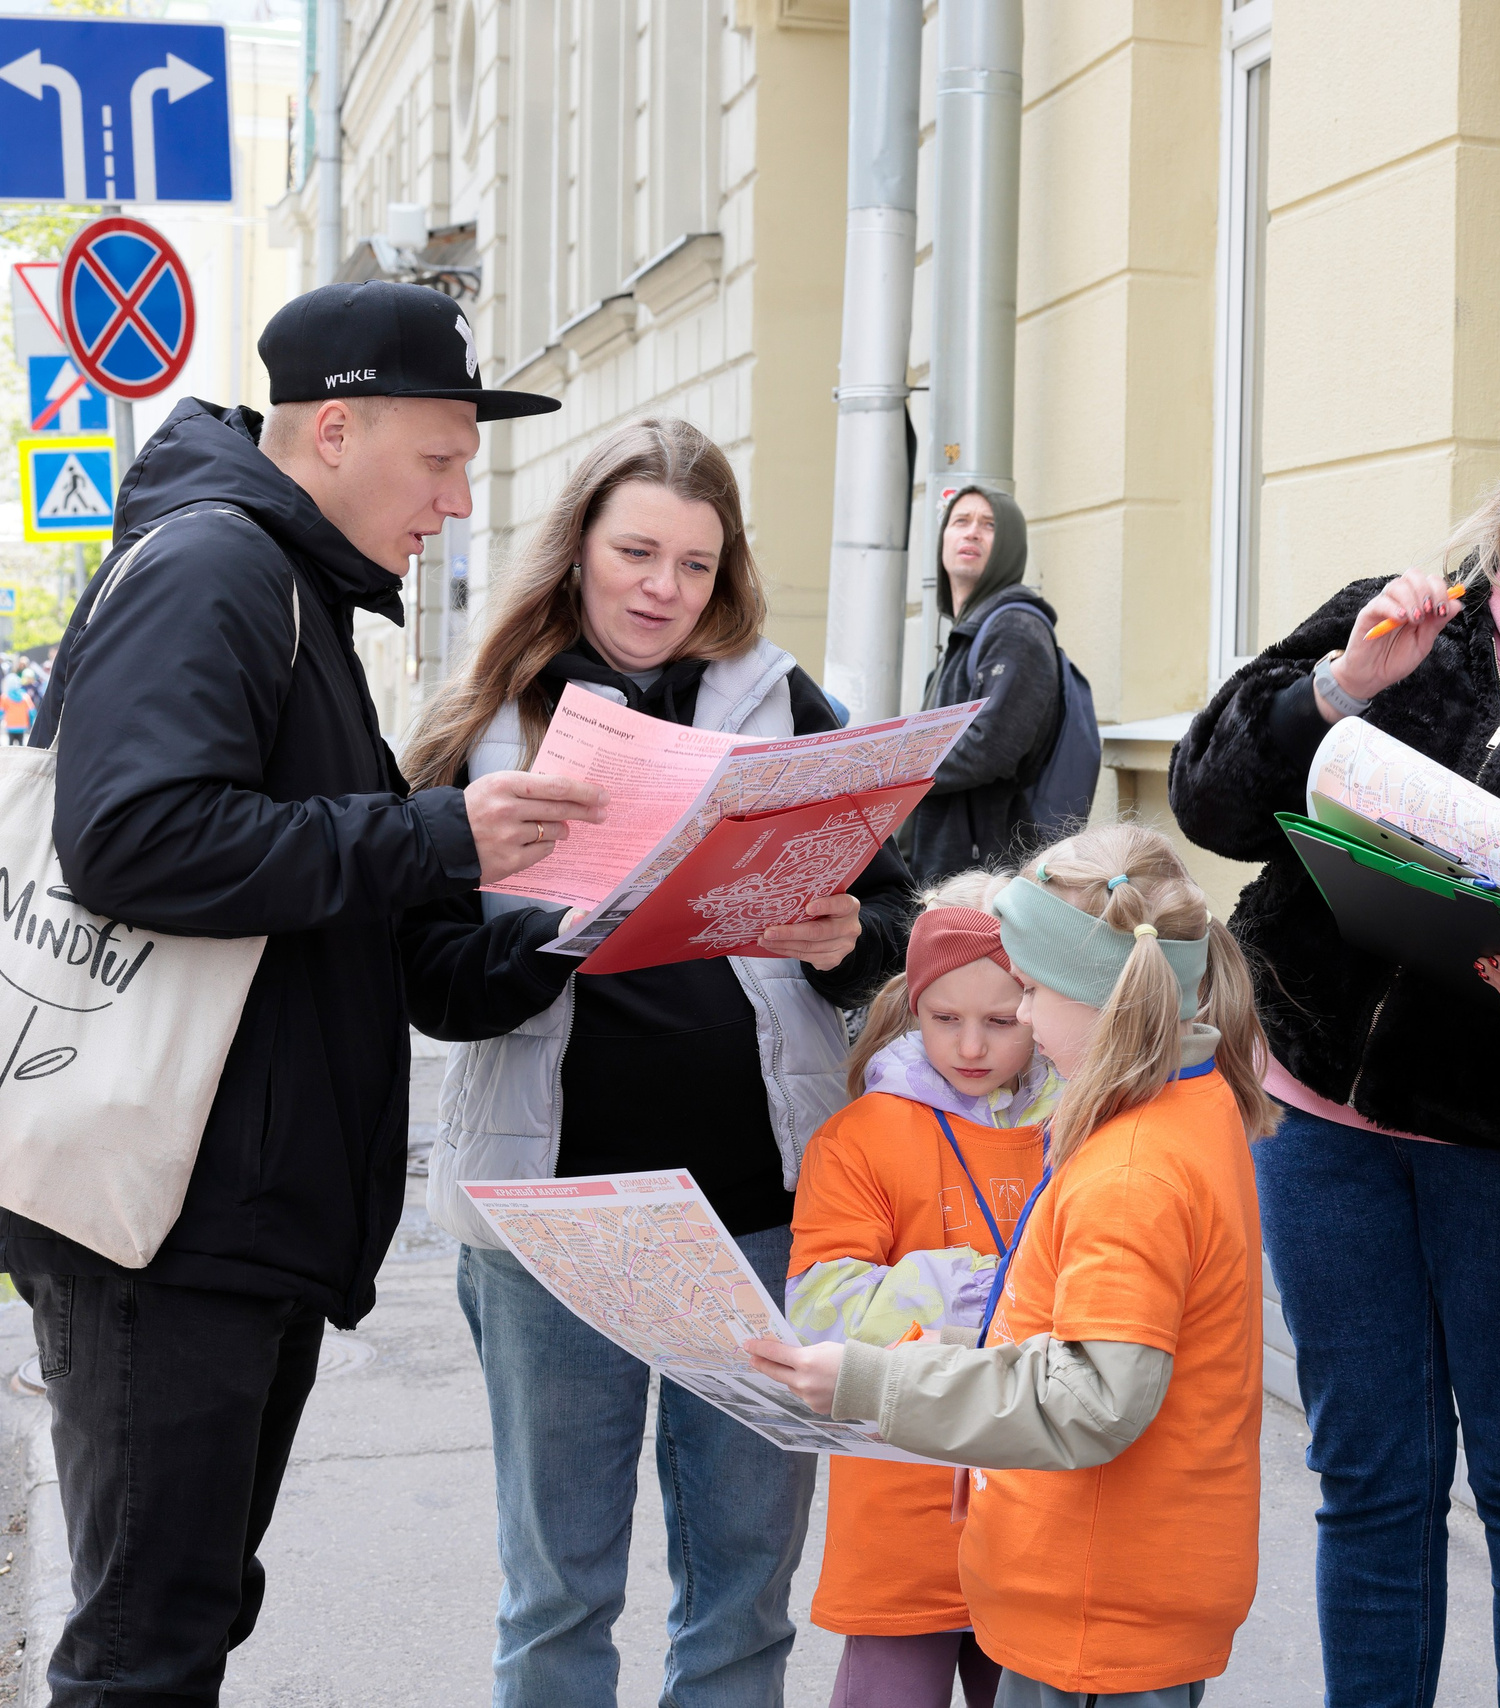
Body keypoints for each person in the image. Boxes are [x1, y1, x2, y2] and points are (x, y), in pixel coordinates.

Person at [4, 280, 590, 1706]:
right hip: (171, 1220)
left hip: (230, 1212)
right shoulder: (220, 571)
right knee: (147, 1644)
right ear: (336, 429)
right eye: (442, 459)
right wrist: (438, 834)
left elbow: (344, 927)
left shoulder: (290, 592)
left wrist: (579, 924)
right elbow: (137, 838)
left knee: (186, 1615)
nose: (457, 501)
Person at [1168, 398, 1500, 1704]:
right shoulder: (1405, 623)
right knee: (1373, 1479)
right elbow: (1210, 799)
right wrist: (1339, 689)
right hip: (1321, 1127)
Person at [398, 416, 915, 1706]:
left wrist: (848, 937)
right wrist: (554, 937)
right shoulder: (492, 724)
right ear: (576, 548)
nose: (661, 588)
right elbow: (427, 986)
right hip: (551, 1222)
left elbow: (896, 932)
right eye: (636, 551)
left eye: (694, 563)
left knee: (742, 1594)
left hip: (757, 1214)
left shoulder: (787, 704)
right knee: (557, 1595)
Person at [748, 822, 1278, 1708]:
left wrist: (879, 1381)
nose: (1017, 1020)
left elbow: (1092, 1397)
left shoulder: (1130, 1166)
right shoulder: (1191, 1101)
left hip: (1092, 1606)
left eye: (1026, 993)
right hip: (1123, 1587)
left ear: (1096, 997)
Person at [785, 872, 1061, 1708]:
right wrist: (969, 1286)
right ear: (912, 1006)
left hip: (1036, 1505)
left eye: (1001, 1022)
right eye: (945, 1020)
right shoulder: (862, 1135)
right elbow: (820, 1306)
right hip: (902, 1505)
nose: (971, 1048)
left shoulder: (1079, 1122)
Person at [909, 486, 1063, 882]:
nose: (972, 532)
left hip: (986, 877)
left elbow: (988, 747)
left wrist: (894, 764)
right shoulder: (970, 633)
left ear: (1010, 546)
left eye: (989, 525)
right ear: (943, 540)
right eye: (960, 521)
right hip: (953, 868)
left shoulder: (1016, 629)